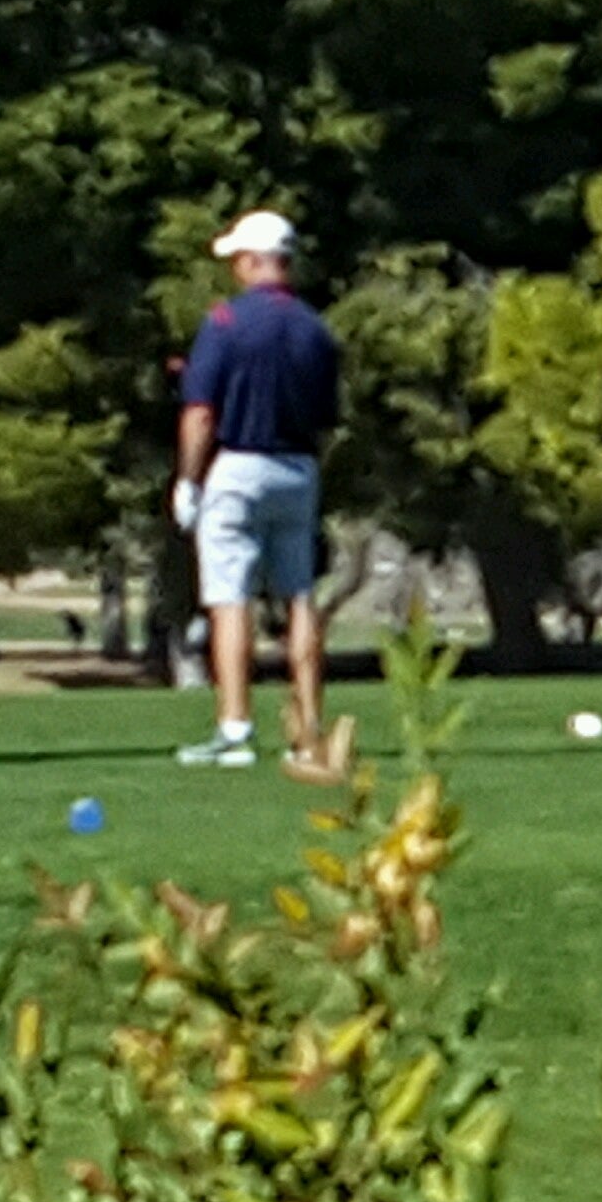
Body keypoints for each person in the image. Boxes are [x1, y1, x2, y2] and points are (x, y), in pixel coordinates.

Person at [173, 208, 348, 780]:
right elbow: (327, 415)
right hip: (297, 466)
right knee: (299, 595)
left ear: (252, 261)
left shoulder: (224, 322)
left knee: (231, 597)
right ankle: (309, 730)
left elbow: (200, 413)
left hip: (239, 465)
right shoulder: (314, 328)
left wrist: (188, 480)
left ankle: (235, 728)